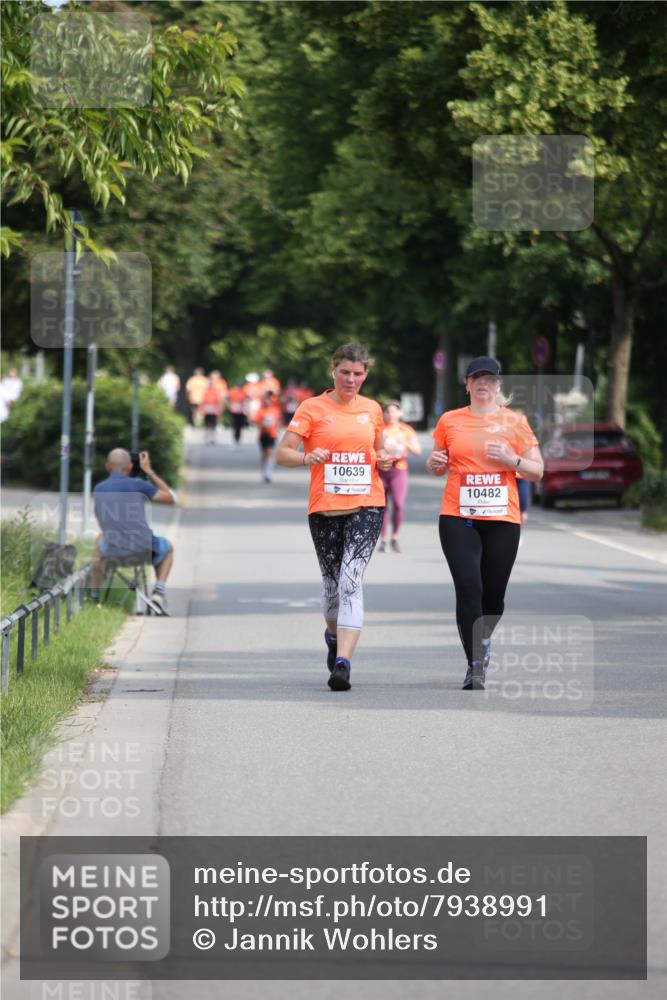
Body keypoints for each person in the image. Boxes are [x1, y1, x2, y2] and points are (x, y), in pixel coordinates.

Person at [276, 342, 393, 692]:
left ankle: (343, 663)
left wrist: (383, 458)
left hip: (367, 504)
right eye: (345, 372)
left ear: (366, 375)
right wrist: (306, 459)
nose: (351, 379)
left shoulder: (372, 410)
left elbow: (379, 448)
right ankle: (333, 636)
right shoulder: (312, 408)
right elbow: (283, 453)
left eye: (358, 374)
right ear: (333, 371)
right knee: (331, 589)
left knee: (351, 579)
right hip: (325, 507)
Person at [427, 356, 543, 691]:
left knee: (493, 597)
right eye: (476, 378)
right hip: (457, 516)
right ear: (466, 384)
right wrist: (435, 463)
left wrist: (512, 460)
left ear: (498, 385)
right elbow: (437, 464)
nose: (483, 383)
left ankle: (484, 641)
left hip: (502, 518)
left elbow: (537, 470)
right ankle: (474, 664)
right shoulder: (450, 421)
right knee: (468, 589)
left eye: (489, 379)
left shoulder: (515, 422)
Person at [90, 448, 176, 613]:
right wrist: (149, 471)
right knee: (168, 548)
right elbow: (171, 498)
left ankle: (93, 596)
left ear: (108, 466)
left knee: (99, 540)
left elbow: (101, 519)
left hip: (113, 553)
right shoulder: (139, 485)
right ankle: (158, 592)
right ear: (129, 467)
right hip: (144, 551)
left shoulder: (99, 489)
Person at [377, 400, 422, 552]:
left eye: (394, 411)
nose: (391, 415)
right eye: (387, 412)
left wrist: (406, 443)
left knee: (398, 504)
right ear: (383, 414)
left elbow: (417, 451)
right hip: (381, 470)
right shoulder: (379, 429)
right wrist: (383, 447)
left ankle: (395, 537)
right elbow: (370, 449)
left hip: (399, 470)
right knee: (381, 506)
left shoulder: (406, 430)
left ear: (400, 413)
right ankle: (382, 539)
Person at [254, 389, 283, 481]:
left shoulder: (275, 410)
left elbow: (278, 421)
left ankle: (268, 473)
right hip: (263, 434)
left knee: (269, 453)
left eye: (269, 399)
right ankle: (264, 471)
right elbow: (257, 422)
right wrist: (263, 425)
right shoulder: (260, 410)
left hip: (272, 434)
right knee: (264, 454)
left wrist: (277, 430)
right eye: (266, 399)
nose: (268, 401)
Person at [200, 376, 224, 445]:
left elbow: (218, 401)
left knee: (213, 425)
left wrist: (219, 409)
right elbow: (203, 401)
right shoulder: (205, 392)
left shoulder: (215, 392)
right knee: (207, 425)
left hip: (213, 410)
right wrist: (202, 409)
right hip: (207, 410)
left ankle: (213, 439)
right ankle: (207, 438)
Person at [227, 380, 248, 446]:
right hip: (234, 411)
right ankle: (235, 439)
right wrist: (230, 406)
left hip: (241, 411)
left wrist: (245, 407)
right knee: (235, 425)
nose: (239, 387)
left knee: (240, 426)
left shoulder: (243, 391)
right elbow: (227, 398)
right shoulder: (232, 391)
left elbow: (247, 399)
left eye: (240, 385)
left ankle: (238, 439)